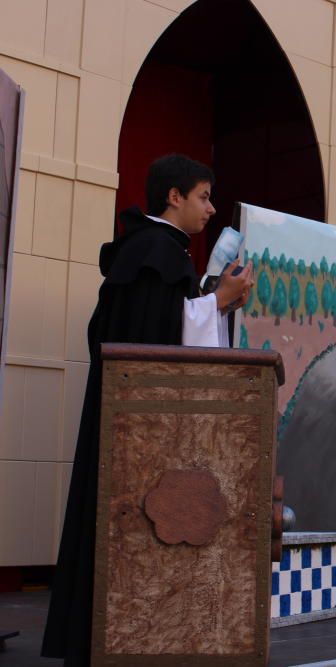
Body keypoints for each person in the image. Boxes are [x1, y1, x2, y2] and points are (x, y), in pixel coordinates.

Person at [42, 155, 253, 665]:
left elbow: (164, 322)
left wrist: (211, 301)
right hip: (136, 429)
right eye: (203, 196)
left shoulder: (157, 251)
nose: (211, 207)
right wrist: (217, 302)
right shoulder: (153, 250)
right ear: (174, 197)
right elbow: (151, 338)